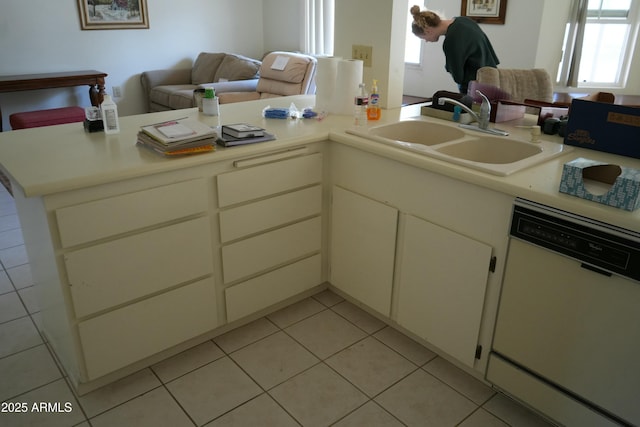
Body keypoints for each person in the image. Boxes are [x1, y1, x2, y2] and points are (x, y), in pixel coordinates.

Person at [410, 5, 499, 94]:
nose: (426, 41)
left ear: (427, 30)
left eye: (423, 38)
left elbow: (458, 77)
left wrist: (448, 67)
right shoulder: (463, 20)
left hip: (476, 85)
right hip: (492, 74)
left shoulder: (451, 40)